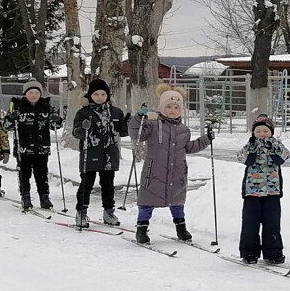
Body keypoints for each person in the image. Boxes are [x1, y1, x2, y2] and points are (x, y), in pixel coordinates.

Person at [133, 85, 212, 244]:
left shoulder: (184, 129)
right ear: (162, 108)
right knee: (147, 202)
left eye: (176, 107)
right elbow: (137, 135)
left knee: (177, 203)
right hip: (154, 172)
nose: (172, 110)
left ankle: (181, 229)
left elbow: (189, 148)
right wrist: (138, 119)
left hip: (176, 173)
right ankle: (141, 229)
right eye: (168, 106)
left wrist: (206, 139)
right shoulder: (152, 125)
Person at [72, 77, 130, 228]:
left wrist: (130, 122)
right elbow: (76, 133)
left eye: (103, 94)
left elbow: (123, 132)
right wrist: (82, 128)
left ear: (108, 96)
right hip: (90, 152)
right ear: (90, 95)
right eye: (96, 94)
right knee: (87, 184)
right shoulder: (84, 112)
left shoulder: (115, 112)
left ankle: (108, 211)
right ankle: (82, 212)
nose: (99, 97)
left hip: (109, 154)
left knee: (108, 184)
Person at [236, 113, 289, 264]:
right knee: (250, 223)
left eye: (265, 131)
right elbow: (241, 157)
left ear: (271, 132)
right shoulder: (250, 144)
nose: (262, 134)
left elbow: (285, 156)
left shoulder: (276, 144)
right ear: (253, 133)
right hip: (252, 192)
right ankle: (249, 252)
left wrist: (273, 147)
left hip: (272, 191)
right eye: (258, 131)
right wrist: (251, 148)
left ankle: (273, 252)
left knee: (272, 222)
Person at [4, 82, 62, 212]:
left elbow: (56, 126)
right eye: (31, 92)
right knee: (24, 174)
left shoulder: (47, 107)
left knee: (42, 174)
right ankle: (25, 196)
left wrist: (56, 120)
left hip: (41, 147)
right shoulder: (18, 107)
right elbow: (6, 126)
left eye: (36, 92)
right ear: (25, 94)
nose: (34, 95)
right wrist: (11, 118)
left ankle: (44, 197)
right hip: (23, 148)